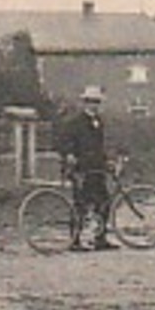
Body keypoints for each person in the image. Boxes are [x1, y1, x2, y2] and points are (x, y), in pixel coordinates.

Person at [59, 85, 113, 251]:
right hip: (80, 169)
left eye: (96, 102)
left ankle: (100, 238)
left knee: (104, 202)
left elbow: (99, 146)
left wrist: (107, 161)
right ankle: (74, 241)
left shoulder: (99, 122)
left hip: (96, 169)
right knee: (80, 205)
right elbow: (63, 142)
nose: (93, 105)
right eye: (90, 101)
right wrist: (68, 154)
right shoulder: (74, 122)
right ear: (84, 103)